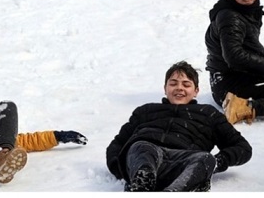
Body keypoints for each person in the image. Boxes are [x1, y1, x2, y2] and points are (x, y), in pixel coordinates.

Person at [106, 61, 252, 192]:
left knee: (205, 158)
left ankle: (177, 191)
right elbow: (117, 145)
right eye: (173, 83)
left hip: (184, 162)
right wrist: (121, 169)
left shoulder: (208, 114)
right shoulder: (145, 111)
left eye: (186, 84)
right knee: (141, 146)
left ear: (196, 91)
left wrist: (218, 162)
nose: (179, 88)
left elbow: (242, 147)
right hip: (148, 156)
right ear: (165, 88)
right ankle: (143, 182)